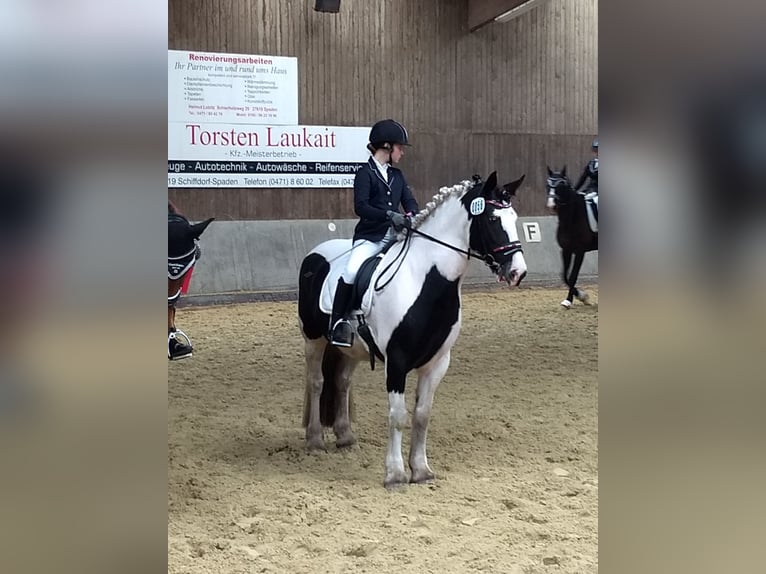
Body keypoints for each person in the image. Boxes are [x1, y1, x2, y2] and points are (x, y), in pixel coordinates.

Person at [329, 119, 419, 347]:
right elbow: (361, 207)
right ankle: (338, 323)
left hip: (396, 237)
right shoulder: (364, 174)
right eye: (400, 147)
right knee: (350, 271)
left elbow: (409, 202)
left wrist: (412, 215)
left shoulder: (397, 176)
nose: (402, 153)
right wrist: (389, 215)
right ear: (387, 147)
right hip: (370, 237)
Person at [575, 138, 598, 222]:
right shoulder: (591, 164)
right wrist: (574, 189)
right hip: (590, 189)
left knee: (597, 202)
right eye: (596, 150)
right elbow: (583, 178)